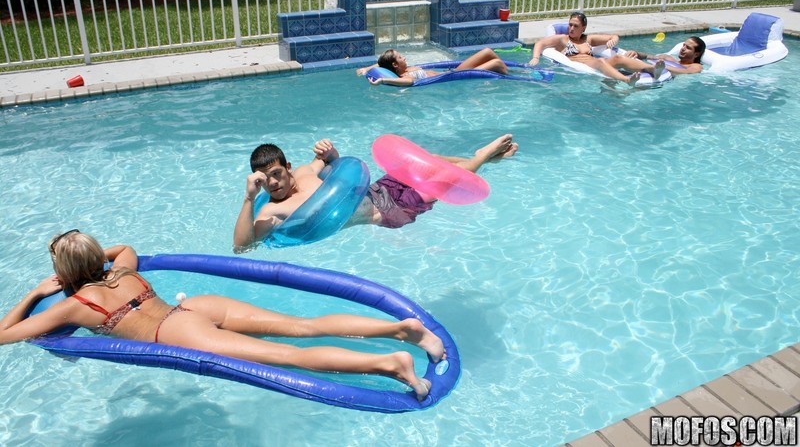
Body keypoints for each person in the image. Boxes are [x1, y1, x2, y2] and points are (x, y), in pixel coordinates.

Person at [0, 231, 445, 401]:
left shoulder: (77, 305)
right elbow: (127, 247)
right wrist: (96, 256)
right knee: (301, 327)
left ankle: (391, 364)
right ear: (97, 257)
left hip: (173, 330)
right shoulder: (122, 271)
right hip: (194, 305)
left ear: (62, 272)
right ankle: (400, 329)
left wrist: (34, 293)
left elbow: (6, 335)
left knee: (284, 356)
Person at [233, 135, 519, 252]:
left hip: (378, 190)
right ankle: (482, 156)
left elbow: (334, 161)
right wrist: (248, 198)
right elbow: (242, 247)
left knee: (427, 161)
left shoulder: (307, 171)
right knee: (441, 181)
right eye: (265, 179)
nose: (272, 183)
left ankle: (479, 161)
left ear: (288, 167)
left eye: (276, 174)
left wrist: (329, 151)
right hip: (388, 213)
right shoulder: (270, 210)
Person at [527, 11, 664, 86]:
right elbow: (540, 43)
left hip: (596, 64)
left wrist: (613, 41)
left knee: (617, 58)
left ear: (583, 28)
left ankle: (652, 69)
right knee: (601, 62)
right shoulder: (563, 39)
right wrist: (535, 57)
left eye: (576, 26)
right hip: (585, 65)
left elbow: (613, 36)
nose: (572, 28)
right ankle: (627, 80)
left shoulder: (588, 39)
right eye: (570, 25)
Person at [357, 47, 509, 86]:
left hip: (453, 71)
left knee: (488, 52)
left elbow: (381, 63)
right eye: (401, 57)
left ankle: (509, 72)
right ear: (395, 65)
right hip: (454, 76)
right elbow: (409, 82)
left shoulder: (402, 68)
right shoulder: (404, 76)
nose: (405, 57)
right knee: (497, 63)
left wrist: (367, 68)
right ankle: (513, 77)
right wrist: (383, 80)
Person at [612, 36, 706, 75]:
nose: (683, 48)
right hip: (649, 72)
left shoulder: (695, 66)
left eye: (688, 48)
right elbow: (647, 56)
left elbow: (687, 72)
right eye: (683, 45)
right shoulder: (668, 58)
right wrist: (636, 53)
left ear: (696, 54)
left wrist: (662, 68)